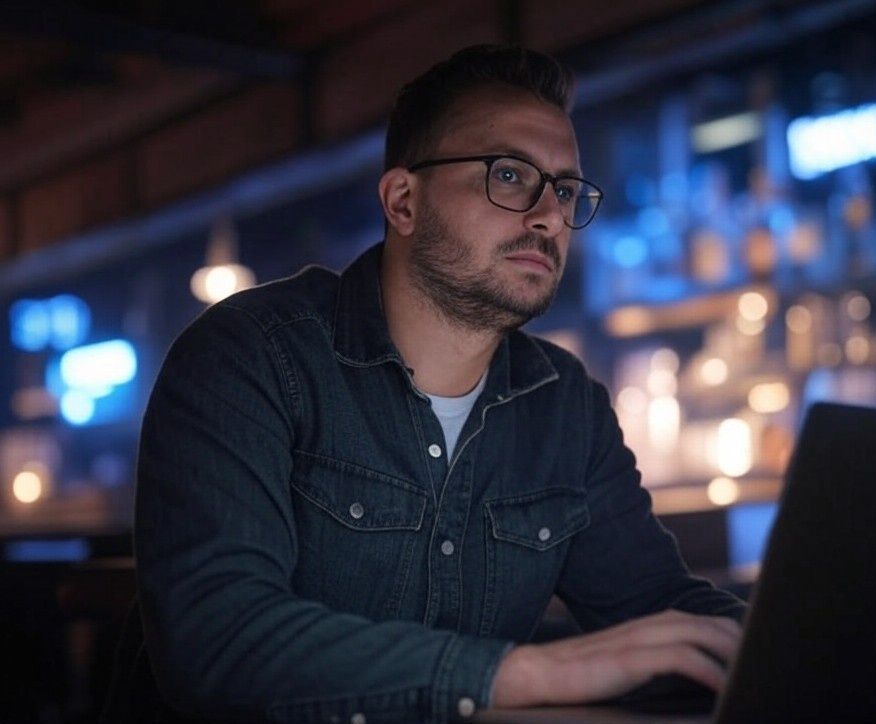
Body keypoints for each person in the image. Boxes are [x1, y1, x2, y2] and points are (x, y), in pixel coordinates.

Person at [108, 44, 746, 724]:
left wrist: (793, 648)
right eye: (509, 175)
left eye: (563, 190)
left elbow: (656, 604)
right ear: (404, 201)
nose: (548, 216)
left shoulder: (564, 403)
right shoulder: (251, 356)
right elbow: (219, 643)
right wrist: (522, 671)